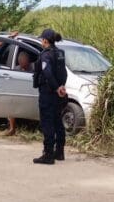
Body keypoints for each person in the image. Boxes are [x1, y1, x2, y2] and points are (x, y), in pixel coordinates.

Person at [32, 29, 68, 165]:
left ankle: (48, 155)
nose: (41, 41)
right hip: (58, 93)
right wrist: (62, 86)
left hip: (48, 92)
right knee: (58, 122)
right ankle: (59, 152)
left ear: (45, 40)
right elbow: (63, 72)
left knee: (47, 123)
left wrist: (56, 87)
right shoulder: (60, 53)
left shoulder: (46, 55)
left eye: (42, 39)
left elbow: (47, 72)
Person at [5, 51, 34, 136]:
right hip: (19, 94)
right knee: (11, 104)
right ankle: (12, 128)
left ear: (28, 61)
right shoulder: (17, 69)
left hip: (31, 94)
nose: (21, 62)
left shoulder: (33, 68)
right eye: (20, 61)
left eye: (23, 61)